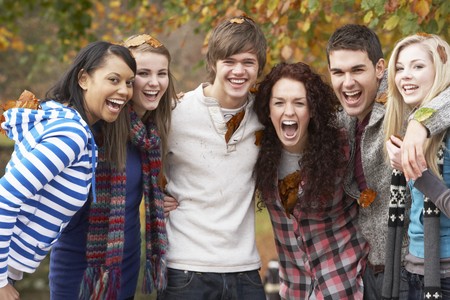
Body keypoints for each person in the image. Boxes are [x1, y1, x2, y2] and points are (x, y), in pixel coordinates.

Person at [0, 41, 136, 300]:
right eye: (113, 79)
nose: (124, 90)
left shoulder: (64, 121)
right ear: (83, 78)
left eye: (129, 83)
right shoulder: (71, 135)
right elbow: (4, 198)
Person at [326, 24, 450, 300]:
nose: (348, 82)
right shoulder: (342, 122)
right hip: (369, 273)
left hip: (413, 268)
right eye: (338, 72)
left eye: (357, 70)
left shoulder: (405, 100)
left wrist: (420, 122)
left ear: (380, 68)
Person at [49, 34, 176, 300]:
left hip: (126, 268)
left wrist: (163, 193)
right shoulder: (93, 129)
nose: (154, 82)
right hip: (80, 271)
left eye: (161, 73)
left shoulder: (150, 134)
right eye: (143, 74)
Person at [159, 15, 267, 300]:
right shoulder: (174, 113)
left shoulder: (266, 115)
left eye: (248, 63)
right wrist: (153, 194)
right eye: (229, 62)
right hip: (185, 271)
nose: (238, 71)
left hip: (246, 271)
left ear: (259, 67)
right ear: (214, 64)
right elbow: (137, 162)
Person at [253, 62, 369, 299]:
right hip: (295, 289)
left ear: (313, 109)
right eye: (279, 103)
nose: (288, 111)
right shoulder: (258, 152)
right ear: (268, 110)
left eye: (299, 102)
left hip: (343, 284)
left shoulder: (343, 148)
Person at [384, 33, 450, 300]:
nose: (405, 76)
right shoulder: (411, 128)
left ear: (441, 71)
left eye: (418, 66)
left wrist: (417, 173)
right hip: (413, 271)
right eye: (399, 68)